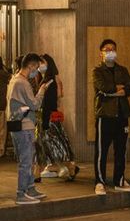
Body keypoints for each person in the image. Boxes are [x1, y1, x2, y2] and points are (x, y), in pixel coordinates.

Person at [6, 53, 51, 205]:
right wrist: (42, 91)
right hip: (24, 127)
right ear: (31, 66)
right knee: (26, 161)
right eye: (36, 68)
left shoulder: (14, 79)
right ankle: (21, 193)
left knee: (28, 159)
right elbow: (35, 105)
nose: (37, 71)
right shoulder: (22, 82)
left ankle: (30, 188)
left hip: (20, 126)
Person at [93, 39, 130, 195]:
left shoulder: (122, 70)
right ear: (101, 52)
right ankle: (99, 182)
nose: (110, 52)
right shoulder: (97, 71)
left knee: (121, 149)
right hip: (105, 114)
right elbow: (104, 87)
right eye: (106, 49)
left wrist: (119, 90)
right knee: (101, 150)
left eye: (112, 49)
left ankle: (119, 179)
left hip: (122, 114)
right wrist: (116, 88)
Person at [35, 54, 78, 181]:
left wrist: (45, 121)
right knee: (45, 146)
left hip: (47, 118)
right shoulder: (46, 79)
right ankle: (37, 174)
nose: (39, 66)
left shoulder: (50, 80)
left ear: (48, 64)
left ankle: (69, 167)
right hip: (45, 117)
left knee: (51, 146)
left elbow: (49, 102)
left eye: (42, 63)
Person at [0, 56, 12, 157]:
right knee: (2, 129)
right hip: (2, 105)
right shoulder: (4, 74)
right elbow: (11, 78)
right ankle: (1, 150)